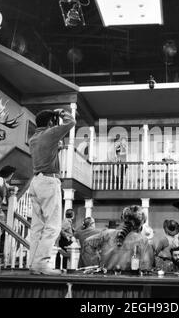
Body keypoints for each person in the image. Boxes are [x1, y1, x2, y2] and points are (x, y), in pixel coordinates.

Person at [29, 108, 76, 275]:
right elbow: (71, 122)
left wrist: (57, 147)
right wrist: (62, 113)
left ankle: (33, 264)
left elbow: (47, 150)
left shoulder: (33, 138)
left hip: (35, 182)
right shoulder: (50, 133)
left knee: (37, 227)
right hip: (49, 181)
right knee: (53, 226)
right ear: (50, 122)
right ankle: (41, 264)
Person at [82, 205, 154, 272]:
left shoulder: (107, 234)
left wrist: (95, 266)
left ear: (123, 219)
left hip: (105, 280)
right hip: (129, 283)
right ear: (141, 223)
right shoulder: (143, 240)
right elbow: (146, 267)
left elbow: (87, 243)